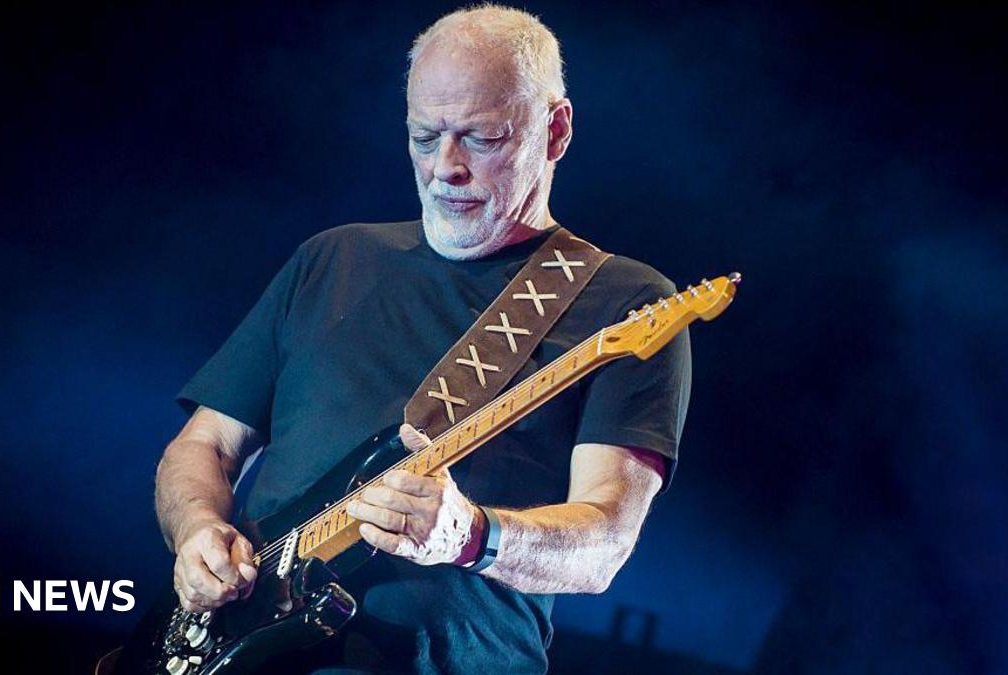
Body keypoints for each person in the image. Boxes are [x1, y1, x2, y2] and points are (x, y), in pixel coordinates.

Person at [153, 5, 691, 673]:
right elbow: (203, 446)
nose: (445, 167)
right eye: (424, 135)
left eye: (482, 138)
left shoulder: (625, 304)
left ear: (555, 130)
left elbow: (604, 543)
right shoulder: (332, 258)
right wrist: (198, 530)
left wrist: (470, 536)